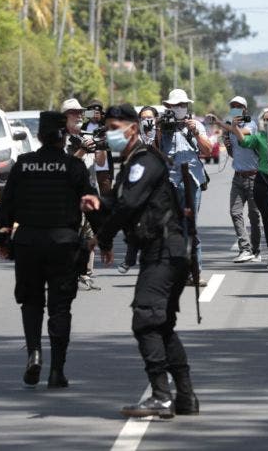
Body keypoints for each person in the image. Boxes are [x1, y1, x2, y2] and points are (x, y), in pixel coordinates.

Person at [84, 107, 199, 419]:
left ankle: (161, 396)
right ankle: (185, 397)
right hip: (162, 250)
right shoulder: (132, 162)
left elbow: (130, 204)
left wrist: (102, 238)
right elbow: (123, 201)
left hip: (165, 249)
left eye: (114, 126)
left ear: (133, 128)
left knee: (145, 318)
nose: (109, 133)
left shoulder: (145, 159)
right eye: (106, 127)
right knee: (161, 324)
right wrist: (99, 203)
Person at [0, 111, 98, 389]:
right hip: (64, 244)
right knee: (60, 307)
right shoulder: (73, 167)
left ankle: (34, 353)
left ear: (39, 136)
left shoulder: (24, 164)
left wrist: (3, 240)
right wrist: (103, 238)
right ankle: (57, 371)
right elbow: (91, 203)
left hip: (28, 243)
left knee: (31, 303)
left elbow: (7, 206)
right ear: (63, 136)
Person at [157, 89, 212, 281]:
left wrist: (195, 132)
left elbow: (207, 149)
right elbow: (153, 151)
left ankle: (195, 272)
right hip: (170, 182)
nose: (180, 108)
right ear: (169, 107)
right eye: (176, 105)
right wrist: (158, 129)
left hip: (192, 180)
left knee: (191, 226)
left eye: (183, 105)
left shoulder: (195, 124)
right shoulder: (162, 126)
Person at [227, 108, 268, 272]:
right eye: (264, 120)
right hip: (263, 181)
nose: (266, 122)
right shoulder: (260, 136)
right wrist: (235, 127)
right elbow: (244, 141)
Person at [61, 98, 100, 291]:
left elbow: (99, 162)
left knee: (90, 234)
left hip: (89, 191)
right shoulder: (61, 139)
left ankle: (85, 273)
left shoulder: (87, 135)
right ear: (64, 117)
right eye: (73, 112)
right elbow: (66, 166)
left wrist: (99, 145)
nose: (78, 116)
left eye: (80, 112)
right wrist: (83, 150)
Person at [118, 106, 160, 274]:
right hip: (139, 184)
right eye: (143, 118)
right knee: (135, 222)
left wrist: (158, 134)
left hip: (159, 185)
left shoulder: (163, 133)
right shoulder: (134, 136)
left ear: (156, 119)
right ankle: (129, 258)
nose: (147, 121)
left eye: (150, 118)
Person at [223, 96, 262, 263]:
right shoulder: (230, 127)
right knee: (235, 212)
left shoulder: (251, 125)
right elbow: (234, 153)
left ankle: (256, 250)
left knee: (254, 215)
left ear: (245, 109)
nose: (236, 108)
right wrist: (227, 143)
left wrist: (225, 126)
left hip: (254, 176)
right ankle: (245, 249)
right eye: (233, 106)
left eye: (239, 106)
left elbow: (243, 135)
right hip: (238, 177)